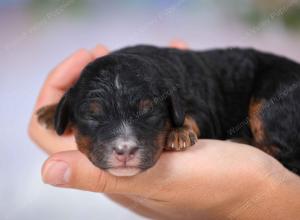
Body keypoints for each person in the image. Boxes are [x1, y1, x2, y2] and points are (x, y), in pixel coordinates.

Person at [28, 41, 300, 219]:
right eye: (92, 115)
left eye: (147, 114)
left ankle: (285, 156)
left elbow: (202, 116)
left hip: (275, 79)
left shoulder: (176, 93)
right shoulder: (84, 95)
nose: (124, 145)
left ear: (173, 106)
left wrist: (264, 195)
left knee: (274, 110)